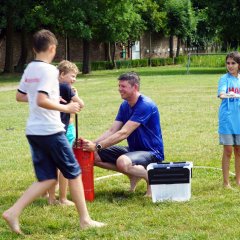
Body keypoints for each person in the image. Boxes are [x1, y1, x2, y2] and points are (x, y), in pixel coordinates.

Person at [2, 29, 105, 234]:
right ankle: (85, 220)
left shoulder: (30, 68)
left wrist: (52, 99)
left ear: (34, 48)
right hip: (51, 130)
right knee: (74, 172)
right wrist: (66, 107)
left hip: (34, 131)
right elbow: (40, 100)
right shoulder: (49, 71)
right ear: (52, 48)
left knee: (48, 178)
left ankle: (13, 212)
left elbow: (21, 97)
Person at [82, 72, 164, 196]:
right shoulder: (125, 105)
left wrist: (98, 146)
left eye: (123, 86)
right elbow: (112, 130)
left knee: (122, 162)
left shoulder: (145, 105)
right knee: (93, 155)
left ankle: (153, 179)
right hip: (134, 150)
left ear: (135, 87)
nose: (119, 89)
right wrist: (92, 145)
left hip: (152, 152)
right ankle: (133, 174)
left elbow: (123, 133)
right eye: (119, 86)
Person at [47, 60, 84, 206]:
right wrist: (76, 94)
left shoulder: (49, 87)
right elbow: (81, 104)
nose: (74, 79)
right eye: (72, 76)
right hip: (64, 129)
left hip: (50, 130)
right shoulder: (65, 88)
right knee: (65, 164)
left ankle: (51, 197)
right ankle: (63, 198)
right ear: (62, 74)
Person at [218, 51, 240, 189]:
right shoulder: (224, 79)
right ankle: (226, 183)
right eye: (228, 63)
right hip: (227, 120)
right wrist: (229, 94)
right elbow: (221, 94)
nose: (230, 66)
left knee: (238, 150)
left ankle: (238, 180)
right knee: (228, 151)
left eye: (233, 63)